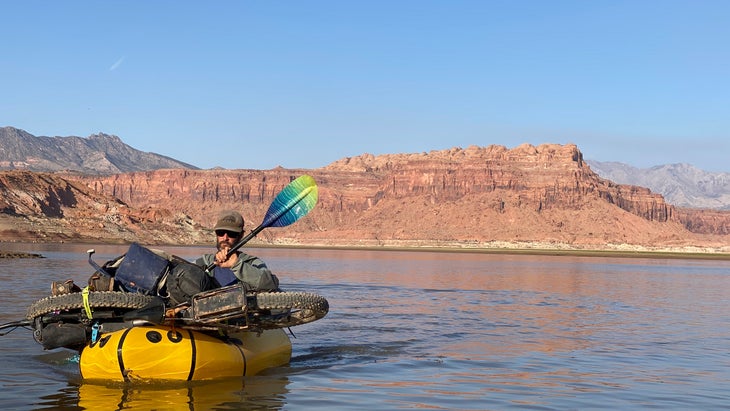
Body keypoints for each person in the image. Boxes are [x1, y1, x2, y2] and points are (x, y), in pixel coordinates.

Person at [195, 210, 280, 291]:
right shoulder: (205, 262)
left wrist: (237, 265)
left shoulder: (252, 262)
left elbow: (271, 283)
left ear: (240, 236)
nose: (225, 238)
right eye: (220, 232)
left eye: (232, 234)